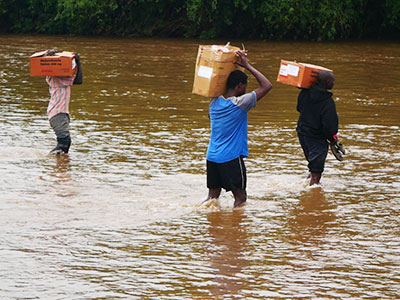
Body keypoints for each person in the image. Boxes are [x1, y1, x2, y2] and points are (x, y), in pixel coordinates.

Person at [206, 50, 272, 208]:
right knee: (240, 199)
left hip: (212, 157)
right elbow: (267, 85)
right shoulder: (241, 103)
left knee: (212, 199)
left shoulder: (214, 103)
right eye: (245, 86)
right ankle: (238, 230)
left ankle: (209, 226)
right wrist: (247, 65)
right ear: (240, 86)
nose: (246, 89)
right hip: (230, 157)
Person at [296, 70, 338, 185]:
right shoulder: (327, 102)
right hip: (317, 138)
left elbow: (299, 108)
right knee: (317, 171)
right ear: (327, 82)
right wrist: (333, 139)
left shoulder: (305, 93)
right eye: (332, 81)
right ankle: (313, 193)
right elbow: (330, 125)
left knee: (312, 163)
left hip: (302, 133)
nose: (334, 83)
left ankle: (308, 181)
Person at [46, 50, 82, 155]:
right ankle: (53, 161)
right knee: (64, 143)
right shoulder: (58, 78)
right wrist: (78, 63)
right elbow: (79, 80)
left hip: (58, 112)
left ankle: (60, 164)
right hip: (57, 113)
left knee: (63, 144)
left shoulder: (53, 76)